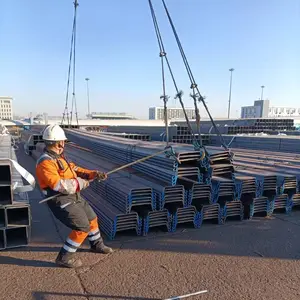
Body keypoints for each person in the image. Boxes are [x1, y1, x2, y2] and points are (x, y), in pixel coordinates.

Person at [36, 124, 113, 268]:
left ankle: (96, 245)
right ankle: (64, 257)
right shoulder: (45, 163)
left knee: (92, 219)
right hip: (59, 199)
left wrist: (93, 174)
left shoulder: (59, 157)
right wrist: (81, 183)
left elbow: (74, 169)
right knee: (82, 227)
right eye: (63, 141)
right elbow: (59, 185)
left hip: (73, 196)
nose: (64, 144)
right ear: (59, 143)